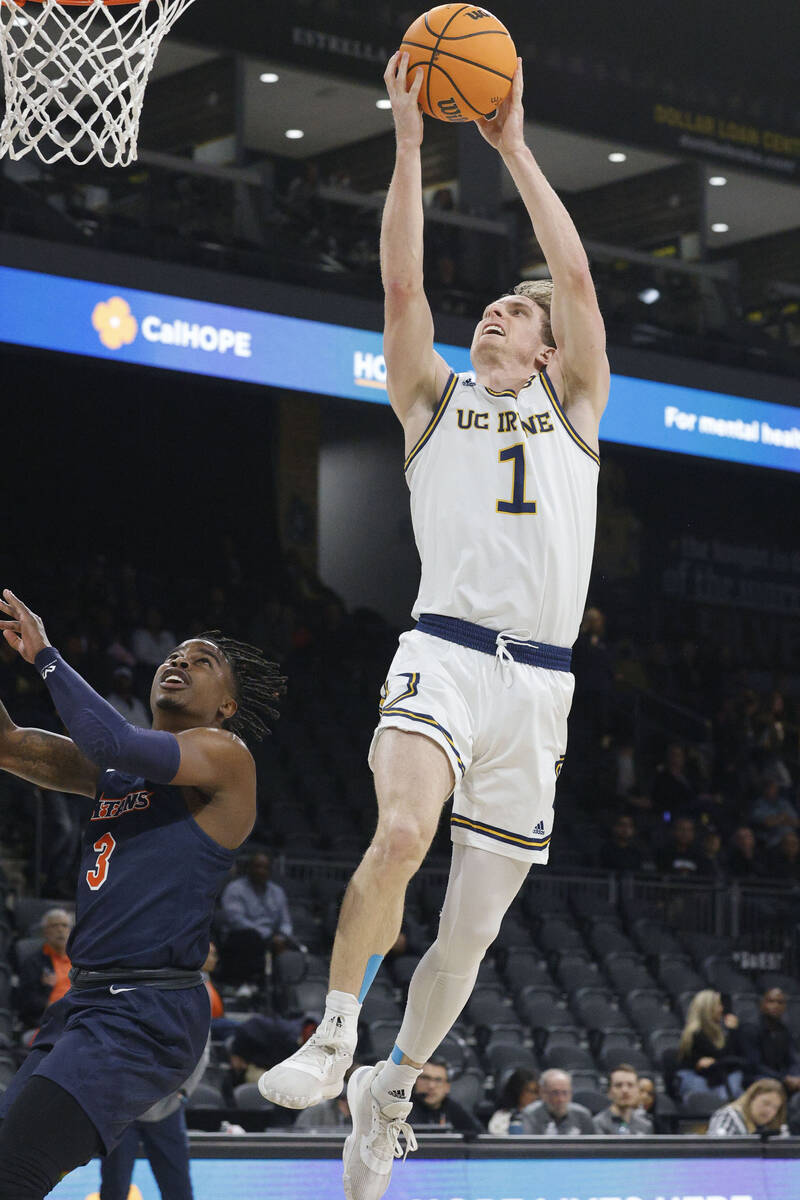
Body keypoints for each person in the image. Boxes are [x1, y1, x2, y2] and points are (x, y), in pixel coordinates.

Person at [261, 49, 608, 1200]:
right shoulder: (431, 401)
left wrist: (512, 147)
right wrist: (411, 148)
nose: (496, 314)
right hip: (445, 655)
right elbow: (400, 292)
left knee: (466, 937)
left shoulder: (575, 409)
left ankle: (390, 1086)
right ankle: (334, 1031)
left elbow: (574, 276)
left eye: (515, 312)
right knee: (401, 833)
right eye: (494, 307)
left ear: (548, 350)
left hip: (540, 691)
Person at [0, 588, 283, 1200]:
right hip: (88, 1001)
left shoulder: (226, 756)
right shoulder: (116, 774)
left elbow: (117, 742)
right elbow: (10, 744)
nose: (178, 662)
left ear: (227, 704)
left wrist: (47, 655)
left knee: (15, 1170)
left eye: (201, 661)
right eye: (173, 655)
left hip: (147, 1012)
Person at [96, 1043, 210, 1200]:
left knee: (178, 1188)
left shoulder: (195, 1017)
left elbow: (201, 1050)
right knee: (114, 1187)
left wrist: (184, 1092)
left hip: (167, 1108)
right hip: (122, 1105)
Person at [218, 851, 293, 985]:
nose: (261, 871)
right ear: (249, 868)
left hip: (271, 939)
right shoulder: (235, 888)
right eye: (257, 866)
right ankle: (244, 985)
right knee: (251, 937)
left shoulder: (277, 892)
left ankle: (279, 990)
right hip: (240, 938)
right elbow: (236, 920)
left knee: (290, 945)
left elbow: (286, 923)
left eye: (265, 868)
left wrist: (282, 937)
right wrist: (267, 935)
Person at [676, 989, 744, 1102]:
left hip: (718, 1078)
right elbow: (723, 1057)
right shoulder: (696, 1033)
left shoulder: (719, 1031)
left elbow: (736, 1057)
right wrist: (733, 1032)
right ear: (708, 1009)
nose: (722, 1009)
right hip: (702, 1081)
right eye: (718, 1005)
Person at [16, 908, 74, 1028]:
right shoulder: (34, 963)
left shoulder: (80, 960)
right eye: (54, 926)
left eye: (64, 925)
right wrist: (48, 998)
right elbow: (26, 1001)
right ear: (45, 932)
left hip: (78, 1015)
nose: (60, 930)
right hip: (46, 1021)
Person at [739, 988, 800, 1094]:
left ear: (785, 1007)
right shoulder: (750, 1029)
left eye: (780, 1002)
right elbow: (755, 1065)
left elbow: (793, 1059)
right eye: (771, 1001)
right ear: (762, 1004)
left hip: (782, 1077)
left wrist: (795, 1077)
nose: (775, 1006)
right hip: (756, 1077)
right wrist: (784, 1078)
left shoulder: (784, 1030)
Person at [407, 1058, 482, 1133]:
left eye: (438, 1080)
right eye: (425, 1078)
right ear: (415, 1081)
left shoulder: (452, 1107)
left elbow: (479, 1134)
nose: (431, 1086)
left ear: (447, 1087)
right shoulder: (403, 1108)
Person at [520, 1069, 595, 1135]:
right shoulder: (531, 1114)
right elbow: (531, 1147)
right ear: (543, 1093)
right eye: (555, 1093)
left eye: (565, 1092)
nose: (561, 1099)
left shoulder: (582, 1115)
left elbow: (593, 1147)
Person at [707, 1078, 786, 1136]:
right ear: (752, 1098)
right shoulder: (729, 1116)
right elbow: (717, 1150)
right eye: (766, 1103)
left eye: (775, 1107)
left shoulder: (774, 1129)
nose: (769, 1110)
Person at [592, 1063, 653, 1135]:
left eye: (630, 1085)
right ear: (609, 1091)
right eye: (618, 1085)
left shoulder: (645, 1125)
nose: (625, 1090)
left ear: (637, 1090)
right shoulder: (598, 1124)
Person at [487, 1066, 539, 1135]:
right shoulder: (502, 1117)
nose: (535, 1096)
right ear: (517, 1091)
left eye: (536, 1092)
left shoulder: (544, 1117)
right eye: (530, 1091)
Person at [105, 664, 150, 729]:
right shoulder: (108, 703)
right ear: (115, 682)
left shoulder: (137, 703)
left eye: (126, 679)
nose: (123, 683)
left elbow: (147, 725)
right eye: (120, 680)